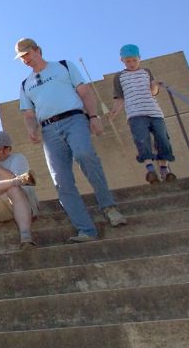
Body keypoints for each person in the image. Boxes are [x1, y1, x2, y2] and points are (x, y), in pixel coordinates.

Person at [16, 37, 127, 243]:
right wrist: (32, 130)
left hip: (74, 119)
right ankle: (86, 230)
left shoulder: (64, 66)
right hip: (49, 130)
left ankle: (109, 208)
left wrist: (93, 117)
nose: (25, 60)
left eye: (27, 55)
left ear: (37, 50)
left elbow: (84, 92)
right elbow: (29, 114)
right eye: (21, 58)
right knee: (61, 180)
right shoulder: (25, 84)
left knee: (85, 155)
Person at [109, 43, 176, 183]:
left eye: (134, 60)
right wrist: (114, 112)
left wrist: (155, 84)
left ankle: (164, 170)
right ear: (122, 60)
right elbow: (120, 97)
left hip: (154, 112)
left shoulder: (146, 72)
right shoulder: (119, 77)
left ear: (139, 58)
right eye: (128, 61)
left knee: (162, 138)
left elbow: (153, 92)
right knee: (142, 139)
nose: (132, 63)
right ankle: (150, 169)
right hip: (135, 114)